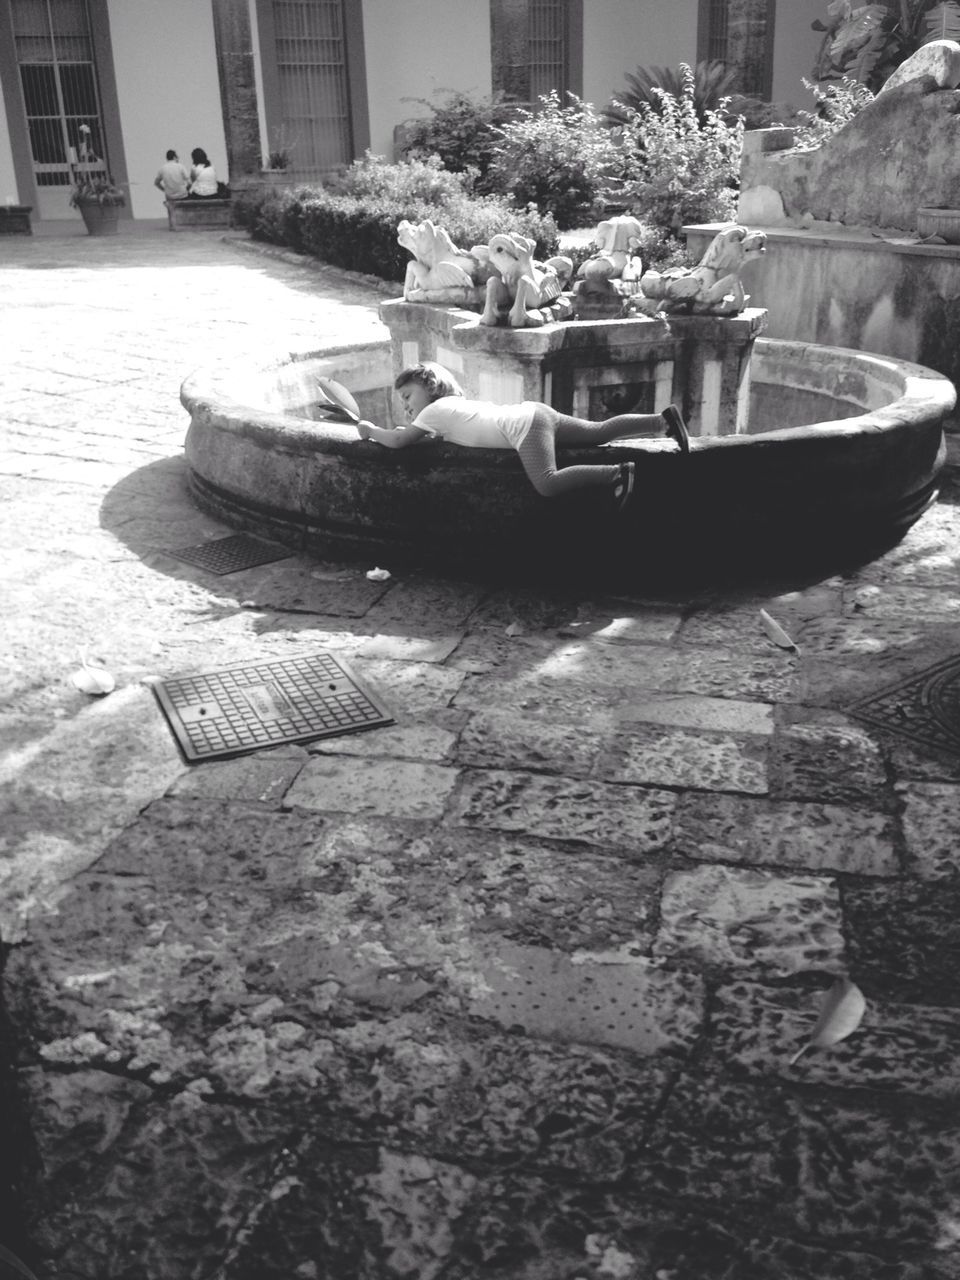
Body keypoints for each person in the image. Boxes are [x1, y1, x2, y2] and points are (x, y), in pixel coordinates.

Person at [355, 361, 690, 510]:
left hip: (525, 428)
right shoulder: (447, 408)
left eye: (408, 397)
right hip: (535, 413)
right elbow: (429, 437)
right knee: (598, 433)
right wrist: (404, 431)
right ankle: (662, 422)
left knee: (546, 482)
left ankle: (617, 474)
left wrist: (371, 431)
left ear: (429, 389)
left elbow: (400, 442)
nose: (406, 406)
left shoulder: (433, 412)